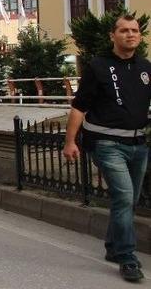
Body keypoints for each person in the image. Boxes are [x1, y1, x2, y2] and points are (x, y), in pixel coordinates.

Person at [63, 14, 151, 282]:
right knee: (124, 197)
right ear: (113, 36)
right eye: (124, 30)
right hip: (106, 143)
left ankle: (114, 247)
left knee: (129, 199)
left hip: (138, 144)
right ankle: (127, 257)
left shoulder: (146, 68)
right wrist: (70, 142)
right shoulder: (98, 67)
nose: (130, 34)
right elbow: (80, 106)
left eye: (134, 30)